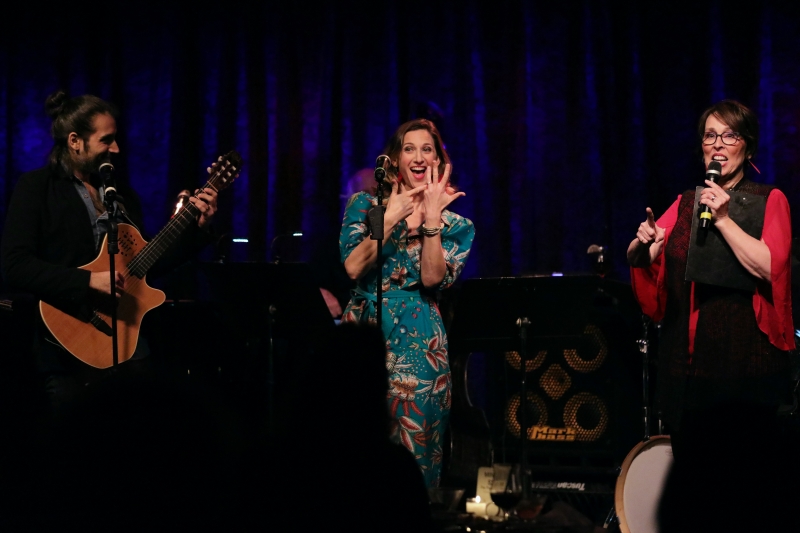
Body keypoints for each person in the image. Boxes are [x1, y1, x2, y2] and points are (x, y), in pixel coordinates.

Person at [627, 100, 796, 531]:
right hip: (687, 368)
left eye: (729, 135)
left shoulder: (768, 200)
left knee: (745, 493)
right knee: (696, 497)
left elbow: (770, 266)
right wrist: (643, 247)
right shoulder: (686, 203)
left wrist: (722, 218)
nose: (717, 145)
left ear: (748, 146)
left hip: (744, 369)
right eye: (709, 135)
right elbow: (647, 259)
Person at [0, 91, 219, 417]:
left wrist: (198, 229)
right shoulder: (37, 188)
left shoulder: (120, 194)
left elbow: (144, 269)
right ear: (75, 141)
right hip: (67, 345)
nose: (116, 149)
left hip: (129, 344)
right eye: (107, 140)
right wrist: (88, 282)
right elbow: (14, 265)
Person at [339, 118, 475, 487]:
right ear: (395, 159)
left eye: (427, 149)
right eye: (409, 149)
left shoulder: (456, 225)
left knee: (415, 464)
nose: (418, 157)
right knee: (351, 450)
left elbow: (433, 278)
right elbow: (353, 266)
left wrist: (431, 219)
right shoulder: (365, 205)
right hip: (362, 336)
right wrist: (394, 215)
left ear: (438, 161)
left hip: (419, 343)